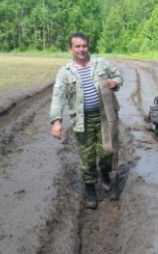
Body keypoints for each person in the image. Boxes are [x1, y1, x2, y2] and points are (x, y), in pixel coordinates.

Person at [49, 33, 123, 209]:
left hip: (105, 117)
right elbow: (58, 97)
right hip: (82, 121)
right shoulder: (65, 72)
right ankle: (90, 189)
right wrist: (56, 121)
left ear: (88, 47)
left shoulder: (101, 63)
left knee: (107, 150)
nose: (81, 49)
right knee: (87, 158)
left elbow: (118, 77)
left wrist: (115, 82)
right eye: (77, 46)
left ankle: (104, 171)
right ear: (70, 49)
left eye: (84, 46)